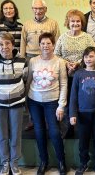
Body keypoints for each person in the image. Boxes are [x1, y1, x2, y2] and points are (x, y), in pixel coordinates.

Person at [0, 32, 27, 175]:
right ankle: (5, 163)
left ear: (12, 44)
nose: (4, 47)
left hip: (17, 103)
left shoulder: (22, 60)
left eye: (7, 43)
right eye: (1, 44)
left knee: (16, 135)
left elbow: (25, 79)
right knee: (2, 135)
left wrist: (17, 94)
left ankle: (14, 163)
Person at [26, 32, 68, 175]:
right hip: (34, 101)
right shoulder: (33, 61)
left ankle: (62, 161)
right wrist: (26, 101)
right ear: (39, 45)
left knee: (55, 132)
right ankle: (44, 161)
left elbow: (64, 83)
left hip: (52, 102)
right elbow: (29, 81)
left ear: (53, 45)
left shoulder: (60, 62)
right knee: (39, 131)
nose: (45, 46)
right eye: (43, 43)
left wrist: (61, 105)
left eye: (48, 43)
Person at [20, 0, 60, 131]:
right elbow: (23, 43)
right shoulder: (26, 24)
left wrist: (56, 58)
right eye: (35, 8)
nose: (38, 11)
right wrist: (22, 60)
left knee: (48, 85)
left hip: (49, 58)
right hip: (31, 58)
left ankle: (49, 119)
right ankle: (32, 118)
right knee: (30, 88)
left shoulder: (53, 23)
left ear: (45, 9)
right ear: (32, 9)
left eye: (41, 8)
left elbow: (57, 42)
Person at [54, 9, 95, 138]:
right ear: (68, 22)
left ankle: (82, 129)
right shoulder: (63, 37)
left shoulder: (87, 37)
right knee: (67, 102)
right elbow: (56, 54)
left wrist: (78, 63)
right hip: (65, 75)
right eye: (72, 21)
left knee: (81, 102)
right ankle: (69, 129)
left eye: (78, 21)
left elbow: (92, 54)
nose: (75, 23)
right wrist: (67, 64)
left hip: (83, 75)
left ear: (82, 22)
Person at [69, 47, 95, 175]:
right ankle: (83, 163)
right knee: (83, 141)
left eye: (91, 56)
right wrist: (72, 113)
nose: (88, 59)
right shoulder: (78, 74)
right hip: (82, 114)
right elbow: (73, 95)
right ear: (83, 58)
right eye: (86, 56)